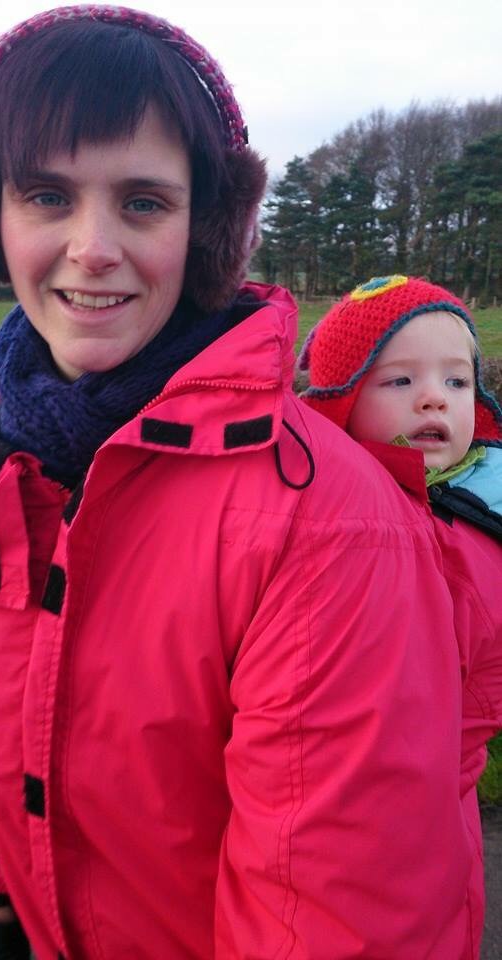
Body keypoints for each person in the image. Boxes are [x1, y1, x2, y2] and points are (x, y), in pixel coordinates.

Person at [0, 9, 474, 957]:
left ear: (207, 231)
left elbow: (333, 921)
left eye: (143, 203)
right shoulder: (1, 465)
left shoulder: (328, 527)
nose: (92, 247)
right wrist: (4, 869)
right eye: (46, 195)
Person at [300, 273, 502, 959]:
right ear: (341, 401)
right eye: (399, 380)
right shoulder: (325, 507)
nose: (433, 397)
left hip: (447, 790)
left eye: (457, 381)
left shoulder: (483, 504)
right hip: (337, 799)